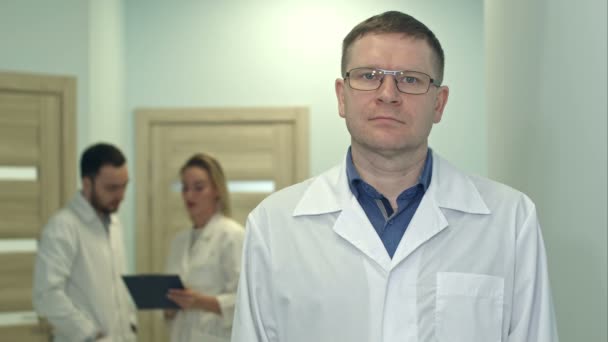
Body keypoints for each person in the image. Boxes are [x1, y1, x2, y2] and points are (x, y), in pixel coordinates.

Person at [232, 11, 559, 342]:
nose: (388, 93)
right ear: (342, 96)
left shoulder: (511, 220)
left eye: (411, 79)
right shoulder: (273, 225)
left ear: (439, 104)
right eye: (368, 75)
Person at [33, 143, 136, 342]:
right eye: (112, 188)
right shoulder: (63, 227)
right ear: (87, 183)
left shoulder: (114, 222)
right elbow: (46, 295)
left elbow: (117, 286)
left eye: (125, 186)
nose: (121, 196)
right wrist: (90, 334)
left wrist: (130, 324)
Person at [164, 153, 244, 342]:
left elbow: (246, 301)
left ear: (217, 190)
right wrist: (168, 307)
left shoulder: (232, 235)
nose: (189, 196)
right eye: (185, 188)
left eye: (198, 188)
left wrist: (201, 302)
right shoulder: (179, 241)